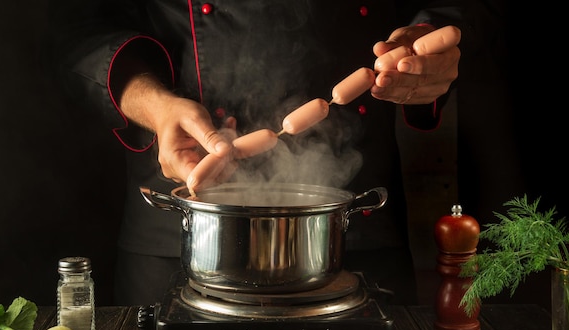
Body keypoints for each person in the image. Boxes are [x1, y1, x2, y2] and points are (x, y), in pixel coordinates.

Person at [49, 1, 474, 306]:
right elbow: (83, 24)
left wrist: (424, 46)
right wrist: (155, 106)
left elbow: (448, 9)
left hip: (353, 224)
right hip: (183, 229)